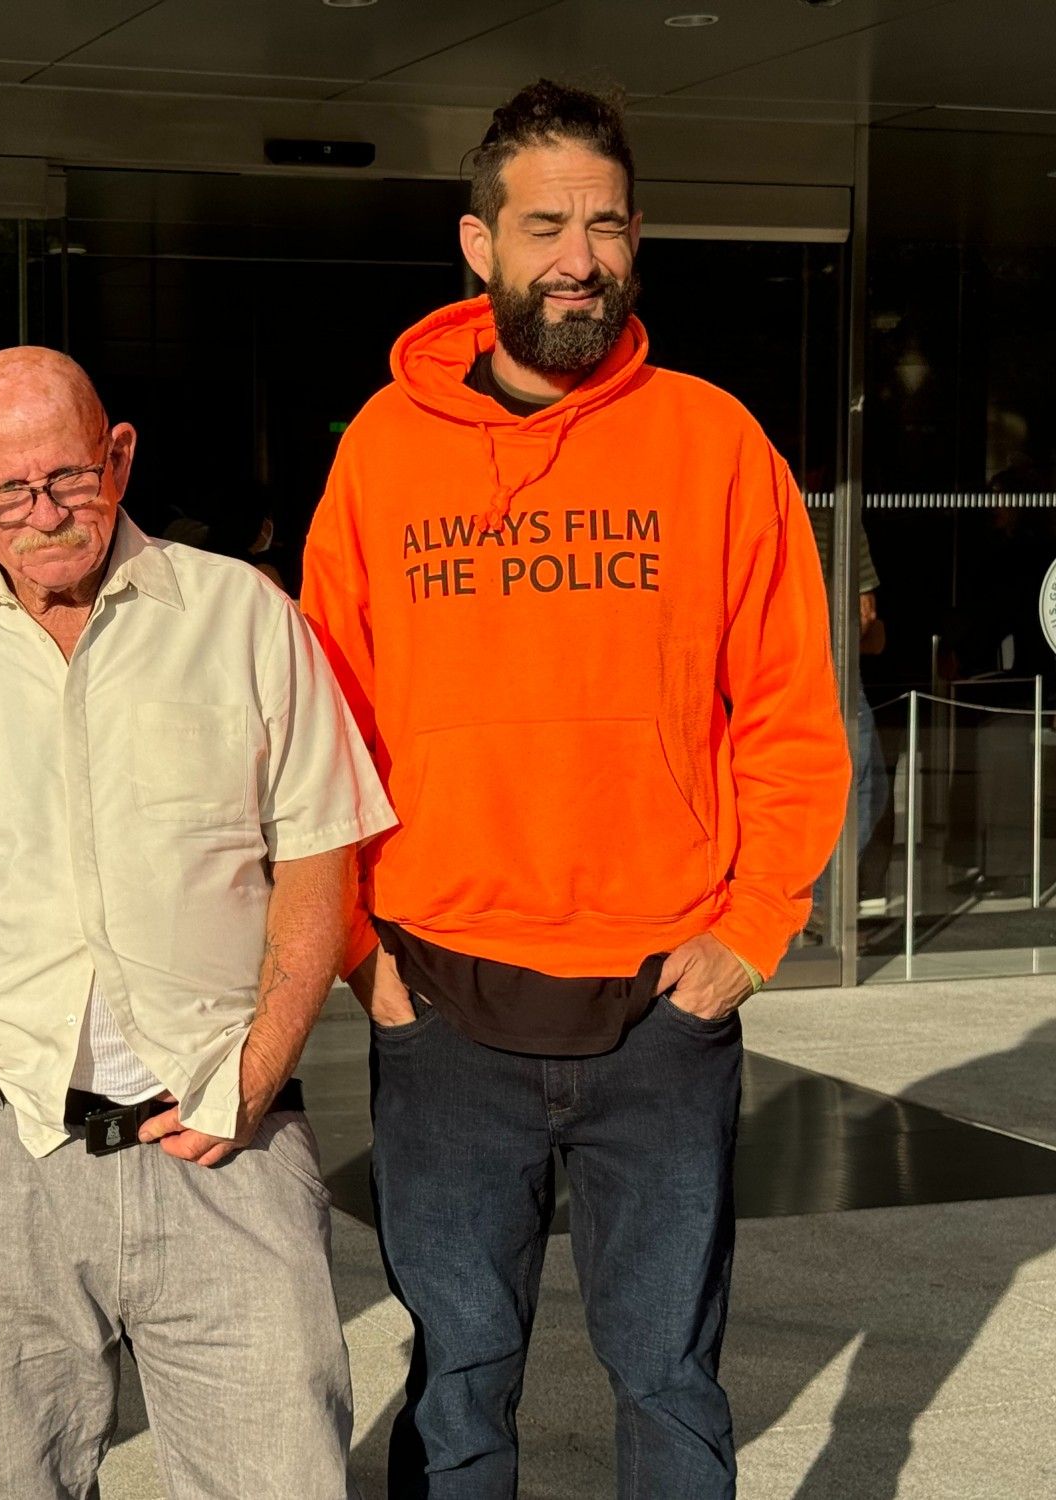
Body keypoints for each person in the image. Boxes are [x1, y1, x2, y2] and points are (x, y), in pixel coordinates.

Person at [301, 81, 850, 1499]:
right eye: (544, 224)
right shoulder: (381, 454)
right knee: (460, 1384)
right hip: (445, 1008)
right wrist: (365, 956)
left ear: (637, 241)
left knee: (669, 1380)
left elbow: (789, 717)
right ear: (477, 246)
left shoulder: (715, 445)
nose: (578, 258)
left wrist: (751, 929)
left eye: (605, 226)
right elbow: (316, 734)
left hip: (664, 1010)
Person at [0, 346, 392, 1498]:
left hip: (221, 1131)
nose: (44, 515)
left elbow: (318, 862)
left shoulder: (240, 617)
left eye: (69, 478)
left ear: (118, 457)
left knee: (278, 1475)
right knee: (4, 1483)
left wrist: (256, 1070)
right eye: (6, 493)